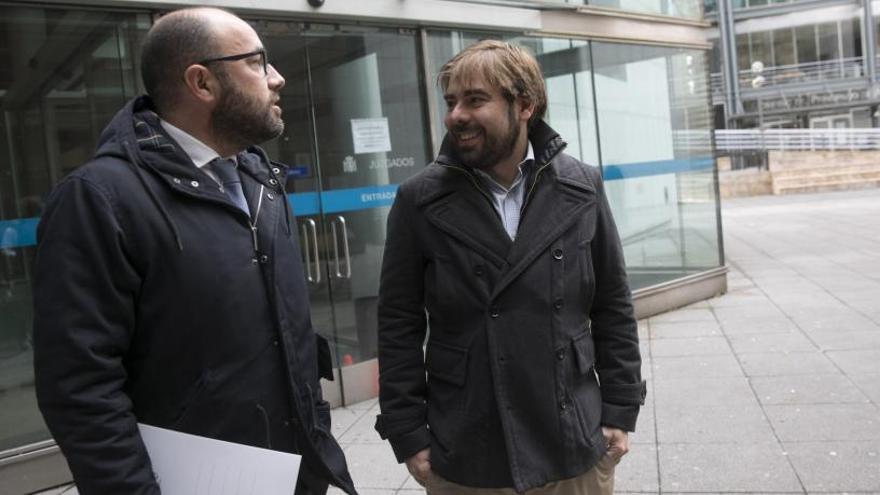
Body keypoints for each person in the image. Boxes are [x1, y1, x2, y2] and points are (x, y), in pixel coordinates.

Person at [32, 8, 355, 495]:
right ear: (202, 83)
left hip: (296, 474)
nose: (278, 78)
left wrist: (316, 438)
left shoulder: (260, 179)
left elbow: (288, 334)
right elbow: (80, 386)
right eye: (257, 62)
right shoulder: (98, 198)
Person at [374, 40, 646, 494]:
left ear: (524, 105)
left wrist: (619, 409)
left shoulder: (581, 186)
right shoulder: (419, 199)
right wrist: (408, 434)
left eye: (475, 100)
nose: (455, 115)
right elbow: (398, 323)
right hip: (468, 446)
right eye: (450, 102)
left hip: (572, 439)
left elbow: (612, 303)